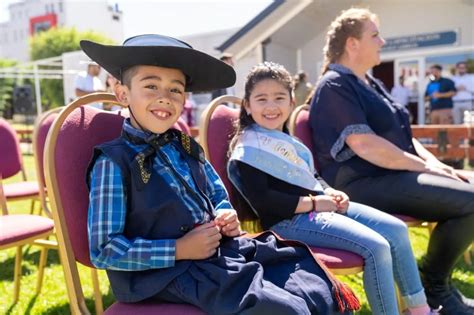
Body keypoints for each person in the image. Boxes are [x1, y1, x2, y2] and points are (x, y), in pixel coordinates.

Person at [83, 34, 359, 315]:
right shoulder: (113, 162)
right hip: (164, 273)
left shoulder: (186, 147)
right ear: (122, 93)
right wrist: (179, 249)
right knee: (285, 309)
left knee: (310, 283)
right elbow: (105, 249)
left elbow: (216, 192)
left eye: (175, 90)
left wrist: (224, 214)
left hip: (215, 254)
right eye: (151, 86)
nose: (164, 98)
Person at [227, 62, 437, 315]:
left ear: (292, 101)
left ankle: (419, 309)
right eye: (261, 99)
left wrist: (329, 192)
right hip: (286, 221)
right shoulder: (247, 149)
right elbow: (264, 202)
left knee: (396, 228)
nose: (271, 106)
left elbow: (312, 177)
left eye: (279, 97)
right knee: (376, 247)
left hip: (319, 209)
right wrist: (316, 203)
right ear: (247, 105)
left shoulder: (288, 141)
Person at [309, 8, 474, 315]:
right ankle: (435, 285)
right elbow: (364, 144)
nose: (382, 41)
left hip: (390, 175)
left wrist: (438, 165)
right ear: (352, 44)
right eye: (374, 35)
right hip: (361, 183)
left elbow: (404, 138)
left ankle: (436, 282)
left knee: (470, 183)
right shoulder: (335, 85)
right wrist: (424, 167)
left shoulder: (369, 83)